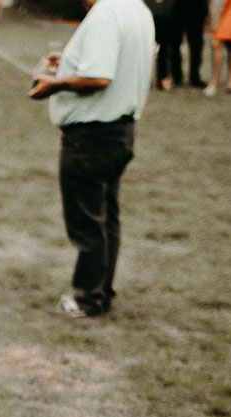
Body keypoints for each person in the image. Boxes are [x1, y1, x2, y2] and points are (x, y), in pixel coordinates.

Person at [29, 0, 154, 319]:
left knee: (87, 223)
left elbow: (99, 78)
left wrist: (53, 85)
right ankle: (100, 291)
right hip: (119, 131)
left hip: (91, 137)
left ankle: (87, 299)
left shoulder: (105, 14)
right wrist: (69, 63)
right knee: (105, 219)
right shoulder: (136, 9)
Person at [174, 0, 208, 86]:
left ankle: (194, 76)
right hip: (176, 8)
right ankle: (176, 76)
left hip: (196, 8)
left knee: (196, 45)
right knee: (174, 44)